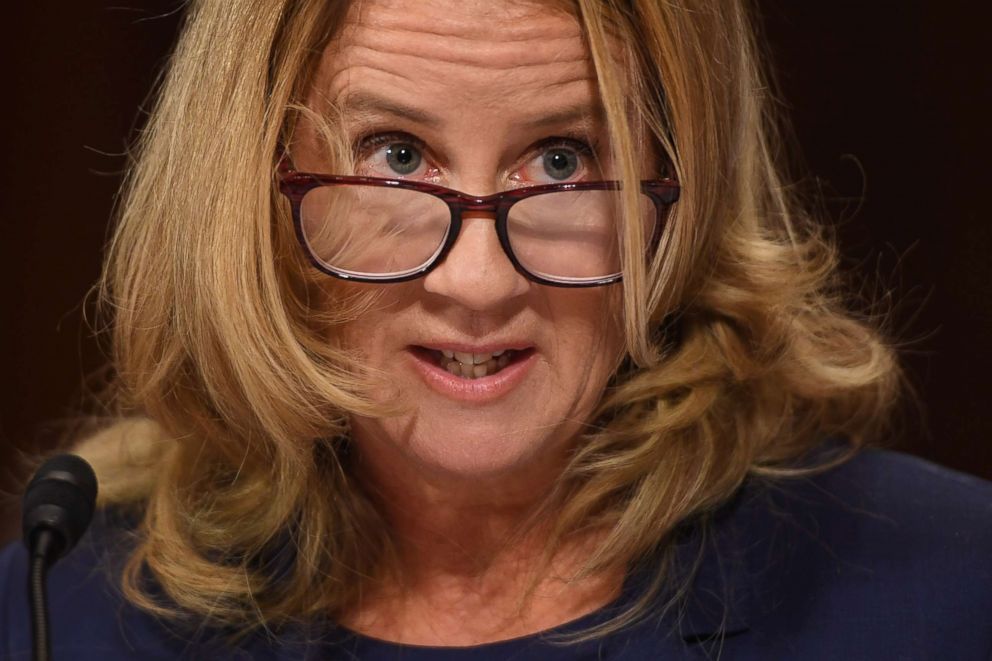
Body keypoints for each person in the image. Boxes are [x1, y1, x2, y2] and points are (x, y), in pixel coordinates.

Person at [2, 0, 991, 658]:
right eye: (396, 156)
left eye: (560, 160)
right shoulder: (61, 612)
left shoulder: (947, 592)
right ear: (254, 190)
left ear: (675, 192)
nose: (475, 282)